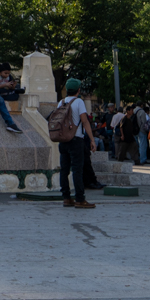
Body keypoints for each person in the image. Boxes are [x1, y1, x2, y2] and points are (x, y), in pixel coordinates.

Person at [52, 78, 96, 210]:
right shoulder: (79, 102)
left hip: (63, 140)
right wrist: (92, 139)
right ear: (78, 90)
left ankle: (66, 198)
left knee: (64, 170)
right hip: (76, 139)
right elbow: (85, 121)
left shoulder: (61, 102)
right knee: (77, 169)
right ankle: (80, 199)